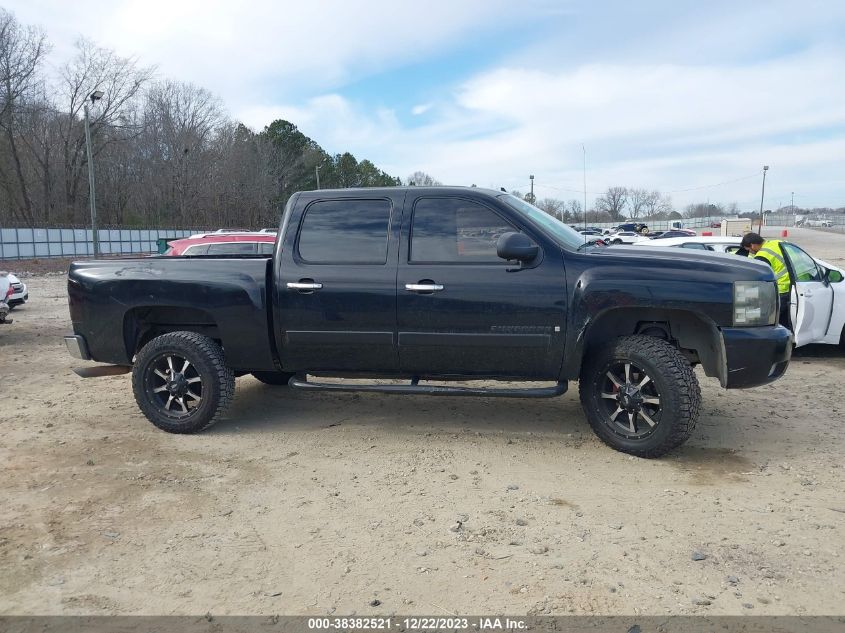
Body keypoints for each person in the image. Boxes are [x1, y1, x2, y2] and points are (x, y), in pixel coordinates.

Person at [739, 232, 792, 329]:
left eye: (749, 250)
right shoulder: (777, 243)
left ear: (753, 245)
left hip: (780, 290)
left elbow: (758, 278)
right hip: (792, 287)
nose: (751, 252)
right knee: (786, 319)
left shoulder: (762, 255)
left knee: (772, 321)